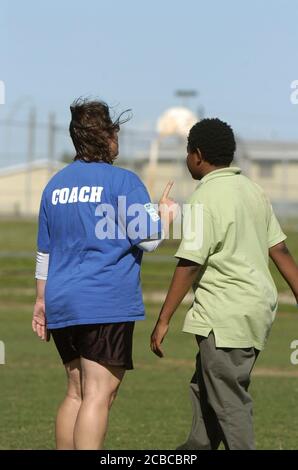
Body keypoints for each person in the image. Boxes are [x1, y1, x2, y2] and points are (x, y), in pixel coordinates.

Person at [32, 98, 177, 450]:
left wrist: (40, 300)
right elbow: (149, 240)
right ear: (107, 136)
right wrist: (166, 215)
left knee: (76, 392)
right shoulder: (123, 181)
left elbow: (44, 253)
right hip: (104, 301)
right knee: (99, 394)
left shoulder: (55, 185)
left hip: (61, 300)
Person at [150, 118, 298, 450]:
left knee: (229, 405)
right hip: (255, 314)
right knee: (208, 401)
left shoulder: (205, 197)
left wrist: (163, 320)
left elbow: (190, 263)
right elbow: (280, 249)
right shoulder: (253, 190)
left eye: (188, 152)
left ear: (197, 155)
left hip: (224, 317)